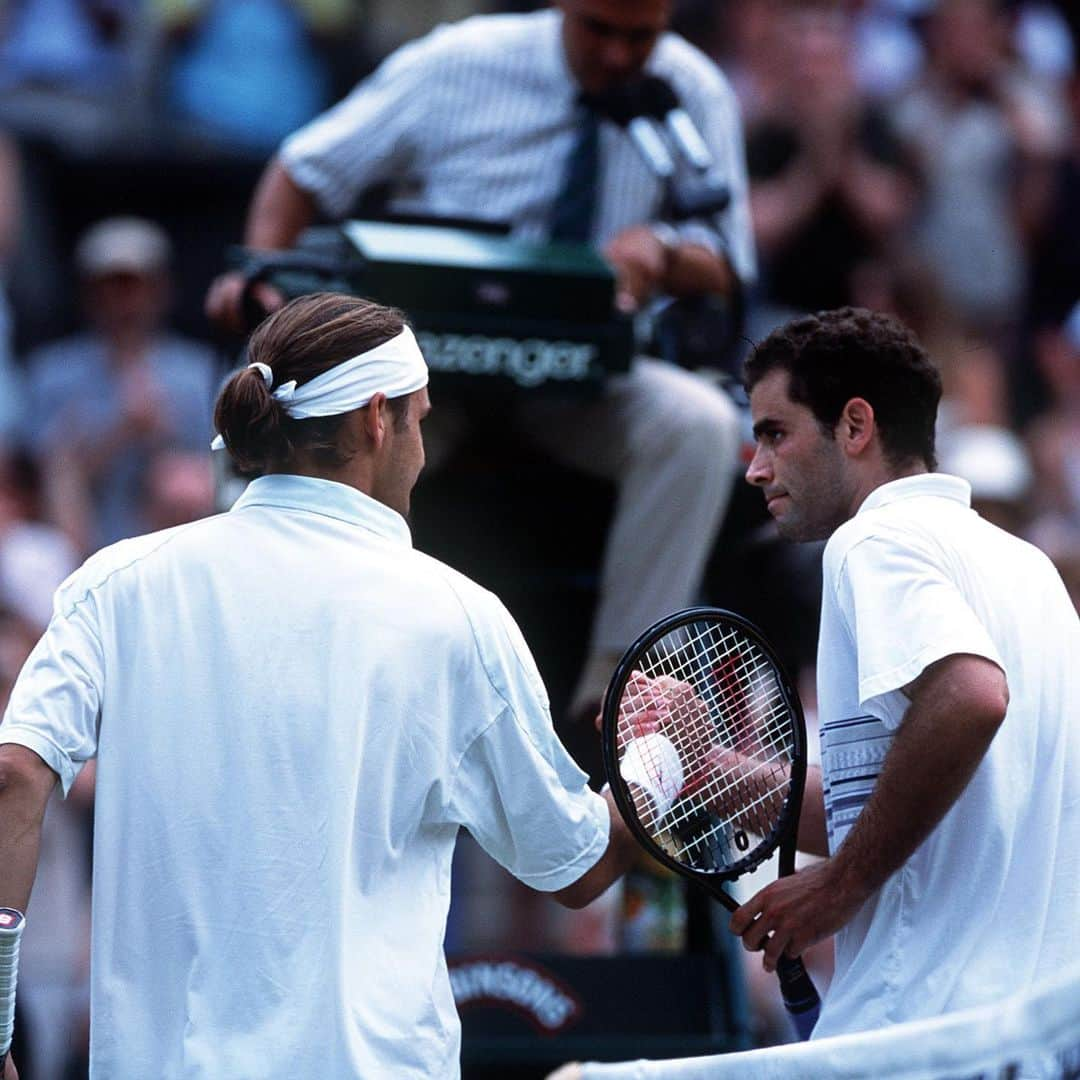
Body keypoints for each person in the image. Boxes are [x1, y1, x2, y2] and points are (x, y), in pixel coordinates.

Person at [0, 292, 639, 1079]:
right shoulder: (457, 616)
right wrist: (662, 763)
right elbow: (576, 866)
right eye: (421, 419)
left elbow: (14, 775)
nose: (423, 450)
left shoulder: (116, 582)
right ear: (378, 419)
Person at [205, 0, 755, 735]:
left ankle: (623, 698)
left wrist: (664, 253)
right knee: (311, 415)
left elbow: (729, 264)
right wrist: (269, 295)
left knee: (698, 424)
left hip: (584, 373)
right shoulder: (461, 62)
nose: (621, 57)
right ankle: (266, 648)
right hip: (427, 370)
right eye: (600, 30)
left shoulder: (692, 93)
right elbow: (302, 171)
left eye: (641, 38)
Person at [726, 306, 1080, 1038]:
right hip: (1038, 1037)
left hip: (921, 1030)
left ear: (856, 427)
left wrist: (841, 885)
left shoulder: (872, 541)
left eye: (774, 433)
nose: (756, 468)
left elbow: (972, 696)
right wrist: (719, 776)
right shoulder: (1028, 568)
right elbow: (916, 807)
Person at [22, 216, 217, 553]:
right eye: (110, 286)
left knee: (183, 478)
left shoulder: (196, 371)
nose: (124, 301)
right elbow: (39, 481)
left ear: (160, 289)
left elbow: (212, 468)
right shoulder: (53, 372)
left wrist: (162, 434)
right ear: (89, 292)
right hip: (80, 546)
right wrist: (119, 432)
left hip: (170, 541)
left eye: (134, 286)